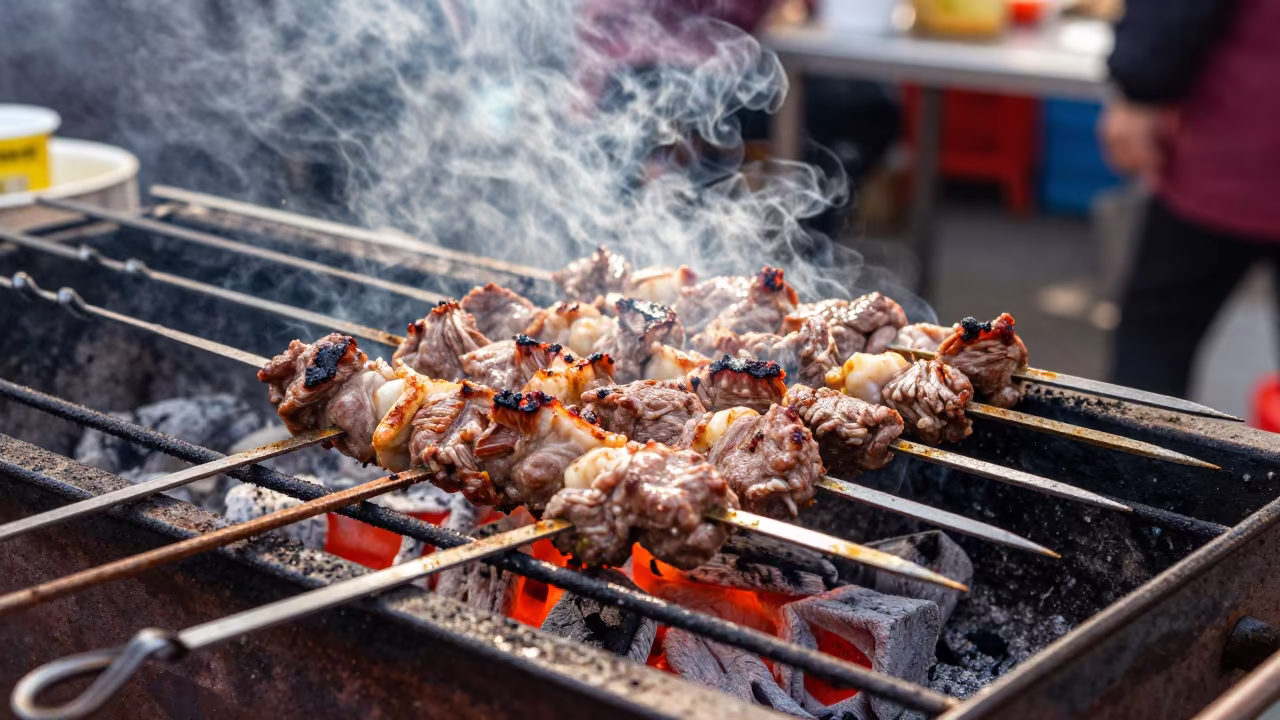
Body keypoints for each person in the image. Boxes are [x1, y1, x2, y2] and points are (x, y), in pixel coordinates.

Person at [1101, 0, 1280, 398]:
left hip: (1231, 145)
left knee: (1153, 355)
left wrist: (1140, 89)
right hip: (1233, 146)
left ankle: (1141, 458)